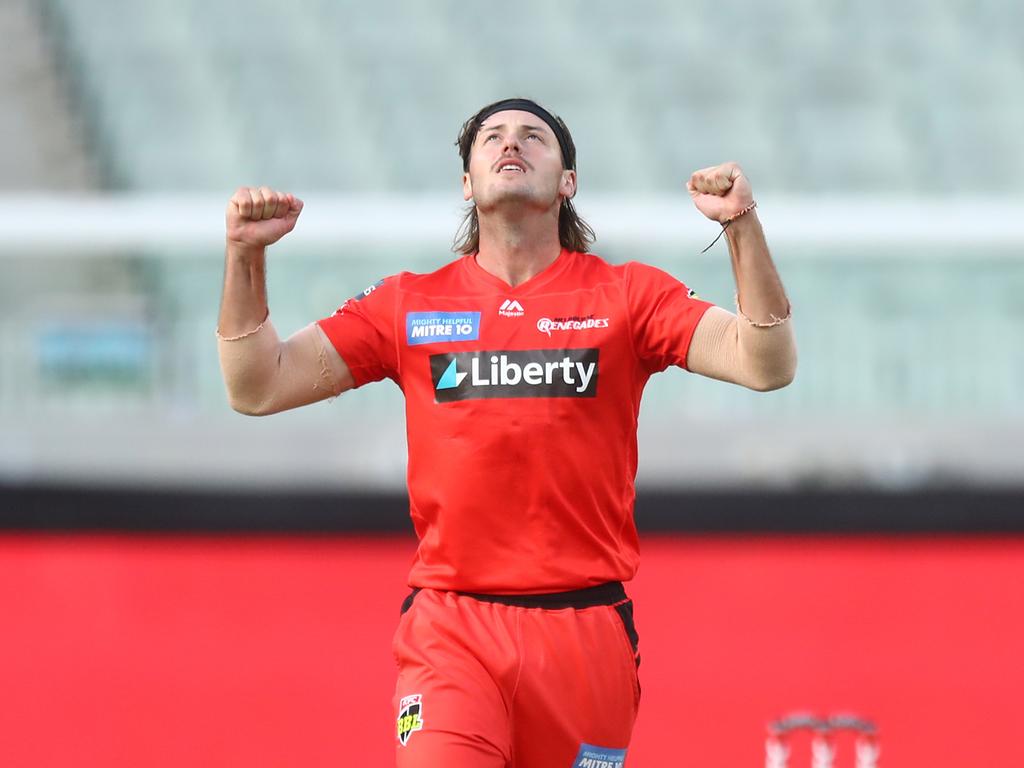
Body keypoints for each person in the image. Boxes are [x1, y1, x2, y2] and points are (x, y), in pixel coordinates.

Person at [217, 97, 796, 768]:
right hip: (453, 630)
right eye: (491, 137)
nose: (510, 144)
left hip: (586, 637)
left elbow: (765, 364)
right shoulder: (411, 303)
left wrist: (741, 228)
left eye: (533, 137)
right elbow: (257, 385)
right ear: (468, 182)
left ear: (567, 181)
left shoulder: (629, 296)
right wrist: (243, 258)